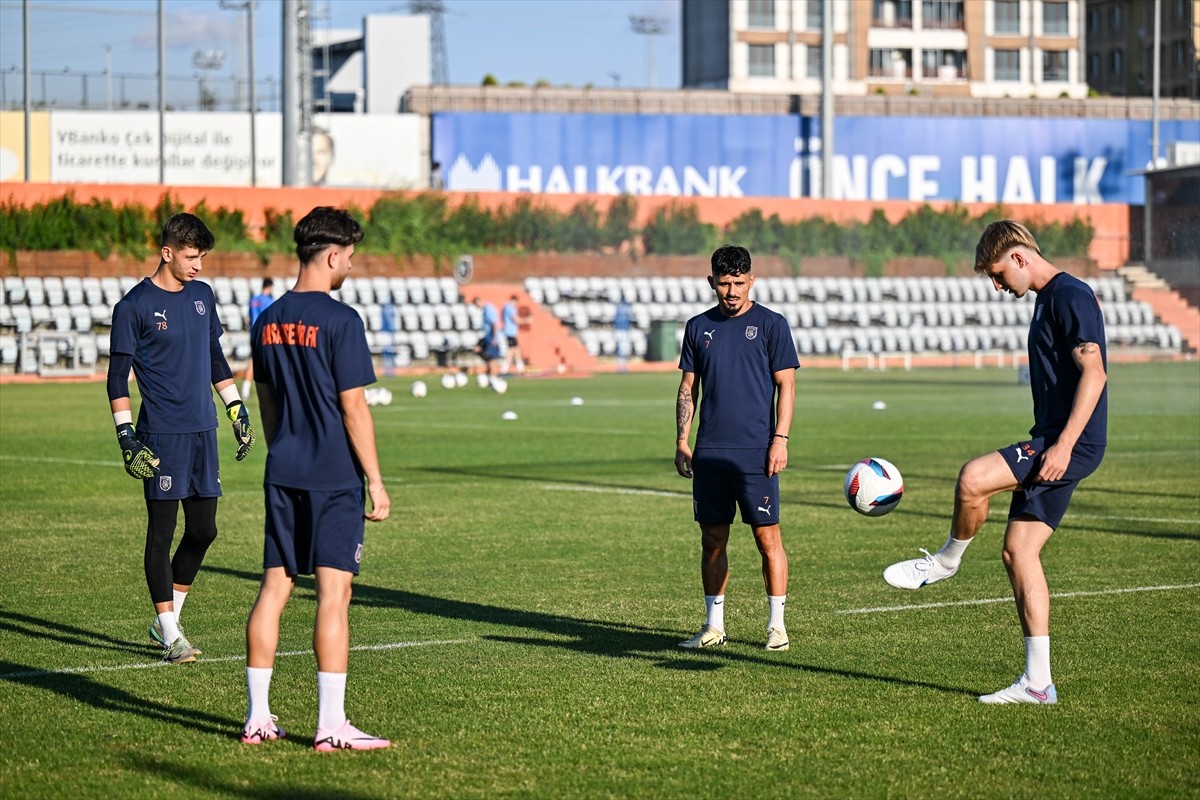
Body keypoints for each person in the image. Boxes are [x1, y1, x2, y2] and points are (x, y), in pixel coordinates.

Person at [882, 220, 1108, 705]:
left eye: (999, 273)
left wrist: (1065, 445)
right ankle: (1038, 684)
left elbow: (1095, 373)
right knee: (1018, 553)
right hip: (1055, 439)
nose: (998, 285)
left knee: (973, 478)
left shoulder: (1070, 294)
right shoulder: (1048, 299)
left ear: (1020, 257)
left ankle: (945, 562)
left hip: (1068, 442)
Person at [243, 206, 391, 751]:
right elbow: (354, 408)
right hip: (333, 476)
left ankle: (257, 718)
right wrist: (375, 480)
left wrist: (285, 447)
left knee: (274, 588)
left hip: (283, 469)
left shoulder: (266, 319)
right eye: (350, 257)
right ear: (332, 256)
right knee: (334, 594)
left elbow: (268, 403)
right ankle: (331, 725)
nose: (350, 265)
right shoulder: (341, 321)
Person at [106, 212, 256, 665]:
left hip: (202, 429)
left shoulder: (202, 296)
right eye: (192, 257)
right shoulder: (132, 306)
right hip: (161, 434)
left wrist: (234, 406)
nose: (199, 266)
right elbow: (117, 379)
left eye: (203, 257)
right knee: (161, 533)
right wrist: (127, 437)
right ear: (167, 252)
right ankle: (171, 633)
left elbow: (214, 355)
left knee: (205, 529)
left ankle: (165, 621)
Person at [674, 245, 800, 652]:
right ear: (711, 282)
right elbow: (687, 389)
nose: (731, 292)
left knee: (768, 539)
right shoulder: (697, 327)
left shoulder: (772, 325)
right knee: (712, 539)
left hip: (756, 452)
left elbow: (787, 385)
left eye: (739, 284)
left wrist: (779, 440)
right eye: (724, 284)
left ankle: (776, 626)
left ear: (752, 281)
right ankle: (713, 625)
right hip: (710, 451)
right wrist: (682, 440)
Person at [240, 277, 275, 399]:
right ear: (270, 287)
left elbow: (249, 317)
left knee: (253, 360)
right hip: (265, 334)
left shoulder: (253, 300)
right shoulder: (269, 301)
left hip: (253, 333)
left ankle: (246, 388)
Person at [473, 296, 502, 382]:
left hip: (492, 337)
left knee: (491, 358)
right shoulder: (485, 309)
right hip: (488, 337)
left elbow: (494, 323)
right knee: (487, 356)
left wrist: (494, 337)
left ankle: (493, 378)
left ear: (479, 301)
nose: (477, 307)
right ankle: (490, 377)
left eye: (477, 305)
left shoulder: (488, 309)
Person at [500, 294, 525, 375]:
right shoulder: (509, 308)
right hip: (509, 333)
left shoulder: (505, 308)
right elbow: (516, 320)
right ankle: (504, 369)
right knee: (511, 351)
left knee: (516, 350)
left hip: (510, 333)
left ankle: (520, 368)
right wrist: (527, 320)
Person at [613, 294, 633, 372]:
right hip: (624, 330)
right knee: (622, 349)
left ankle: (621, 367)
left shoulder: (618, 307)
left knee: (621, 349)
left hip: (620, 330)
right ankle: (622, 367)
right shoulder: (627, 308)